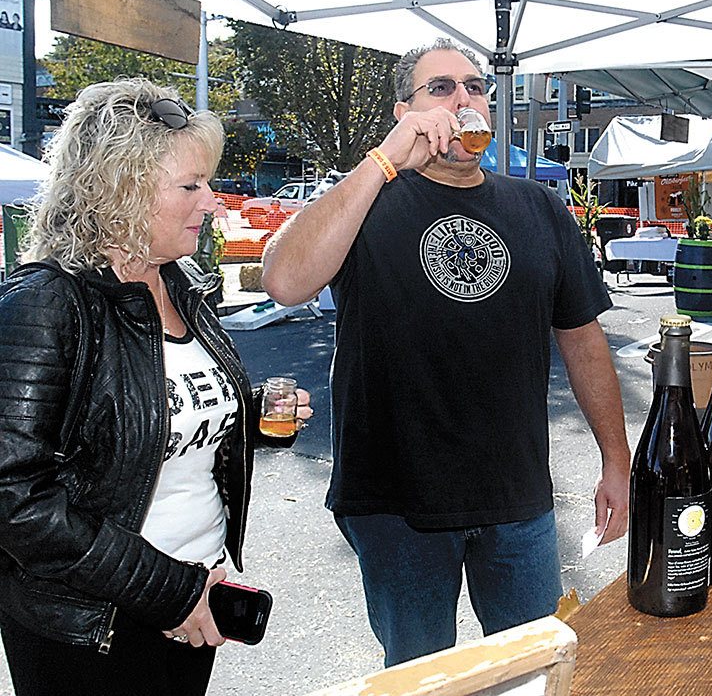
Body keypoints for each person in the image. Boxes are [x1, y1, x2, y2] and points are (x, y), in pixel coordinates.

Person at [260, 38, 630, 666]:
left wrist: (616, 461)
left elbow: (583, 338)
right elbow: (284, 280)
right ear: (404, 111)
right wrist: (383, 163)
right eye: (440, 89)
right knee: (419, 675)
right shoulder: (367, 201)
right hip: (397, 502)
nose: (463, 100)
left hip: (517, 498)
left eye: (475, 86)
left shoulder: (537, 206)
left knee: (534, 668)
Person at [0, 79, 312, 696]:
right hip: (92, 625)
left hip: (198, 596)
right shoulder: (44, 304)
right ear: (118, 190)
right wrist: (168, 591)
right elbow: (14, 497)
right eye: (190, 186)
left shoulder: (182, 284)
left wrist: (245, 418)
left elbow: (145, 422)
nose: (214, 203)